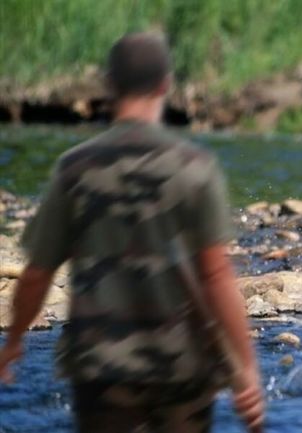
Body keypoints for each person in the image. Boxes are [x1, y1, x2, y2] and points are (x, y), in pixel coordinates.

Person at [0, 32, 265, 432]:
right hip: (183, 370)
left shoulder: (75, 168)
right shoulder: (195, 166)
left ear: (110, 86)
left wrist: (14, 340)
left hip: (103, 373)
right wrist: (246, 370)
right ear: (165, 86)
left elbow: (38, 273)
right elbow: (216, 275)